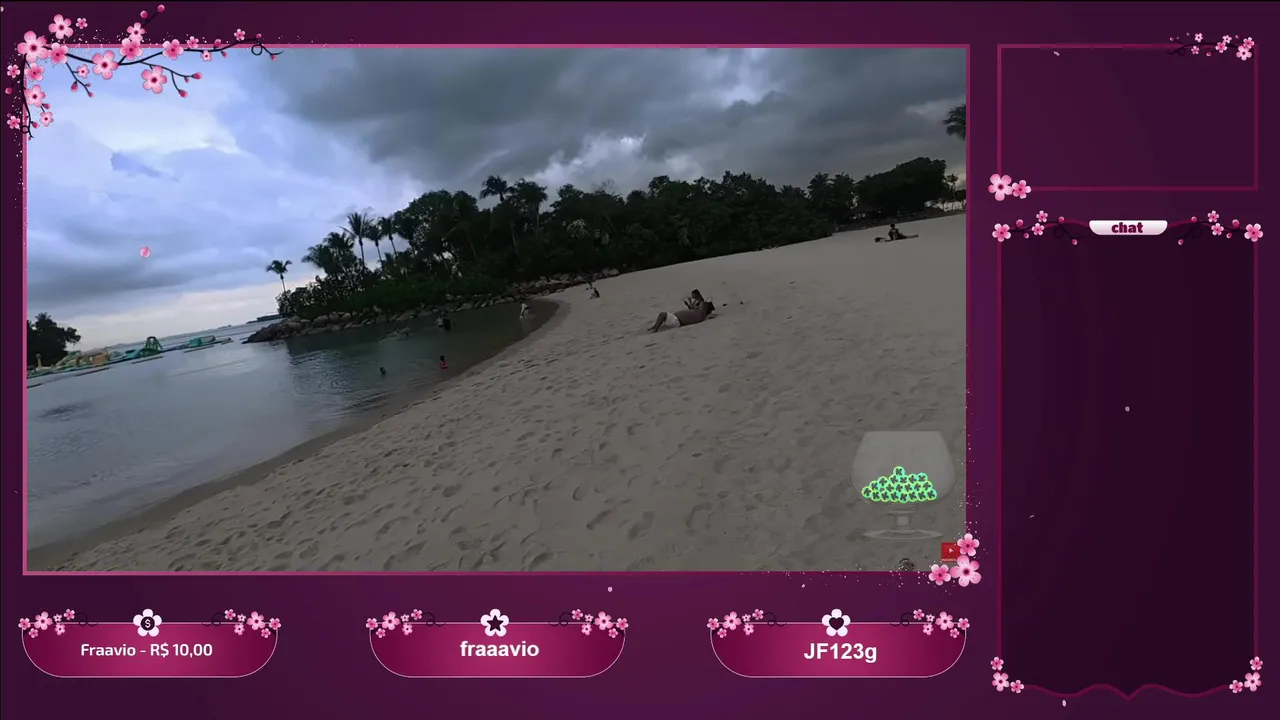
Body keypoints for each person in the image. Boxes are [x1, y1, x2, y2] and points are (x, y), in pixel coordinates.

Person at [647, 300, 715, 332]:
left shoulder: (700, 314)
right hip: (675, 320)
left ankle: (655, 329)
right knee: (663, 317)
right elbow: (693, 309)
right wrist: (688, 304)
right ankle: (655, 327)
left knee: (662, 315)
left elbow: (701, 304)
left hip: (676, 320)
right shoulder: (699, 314)